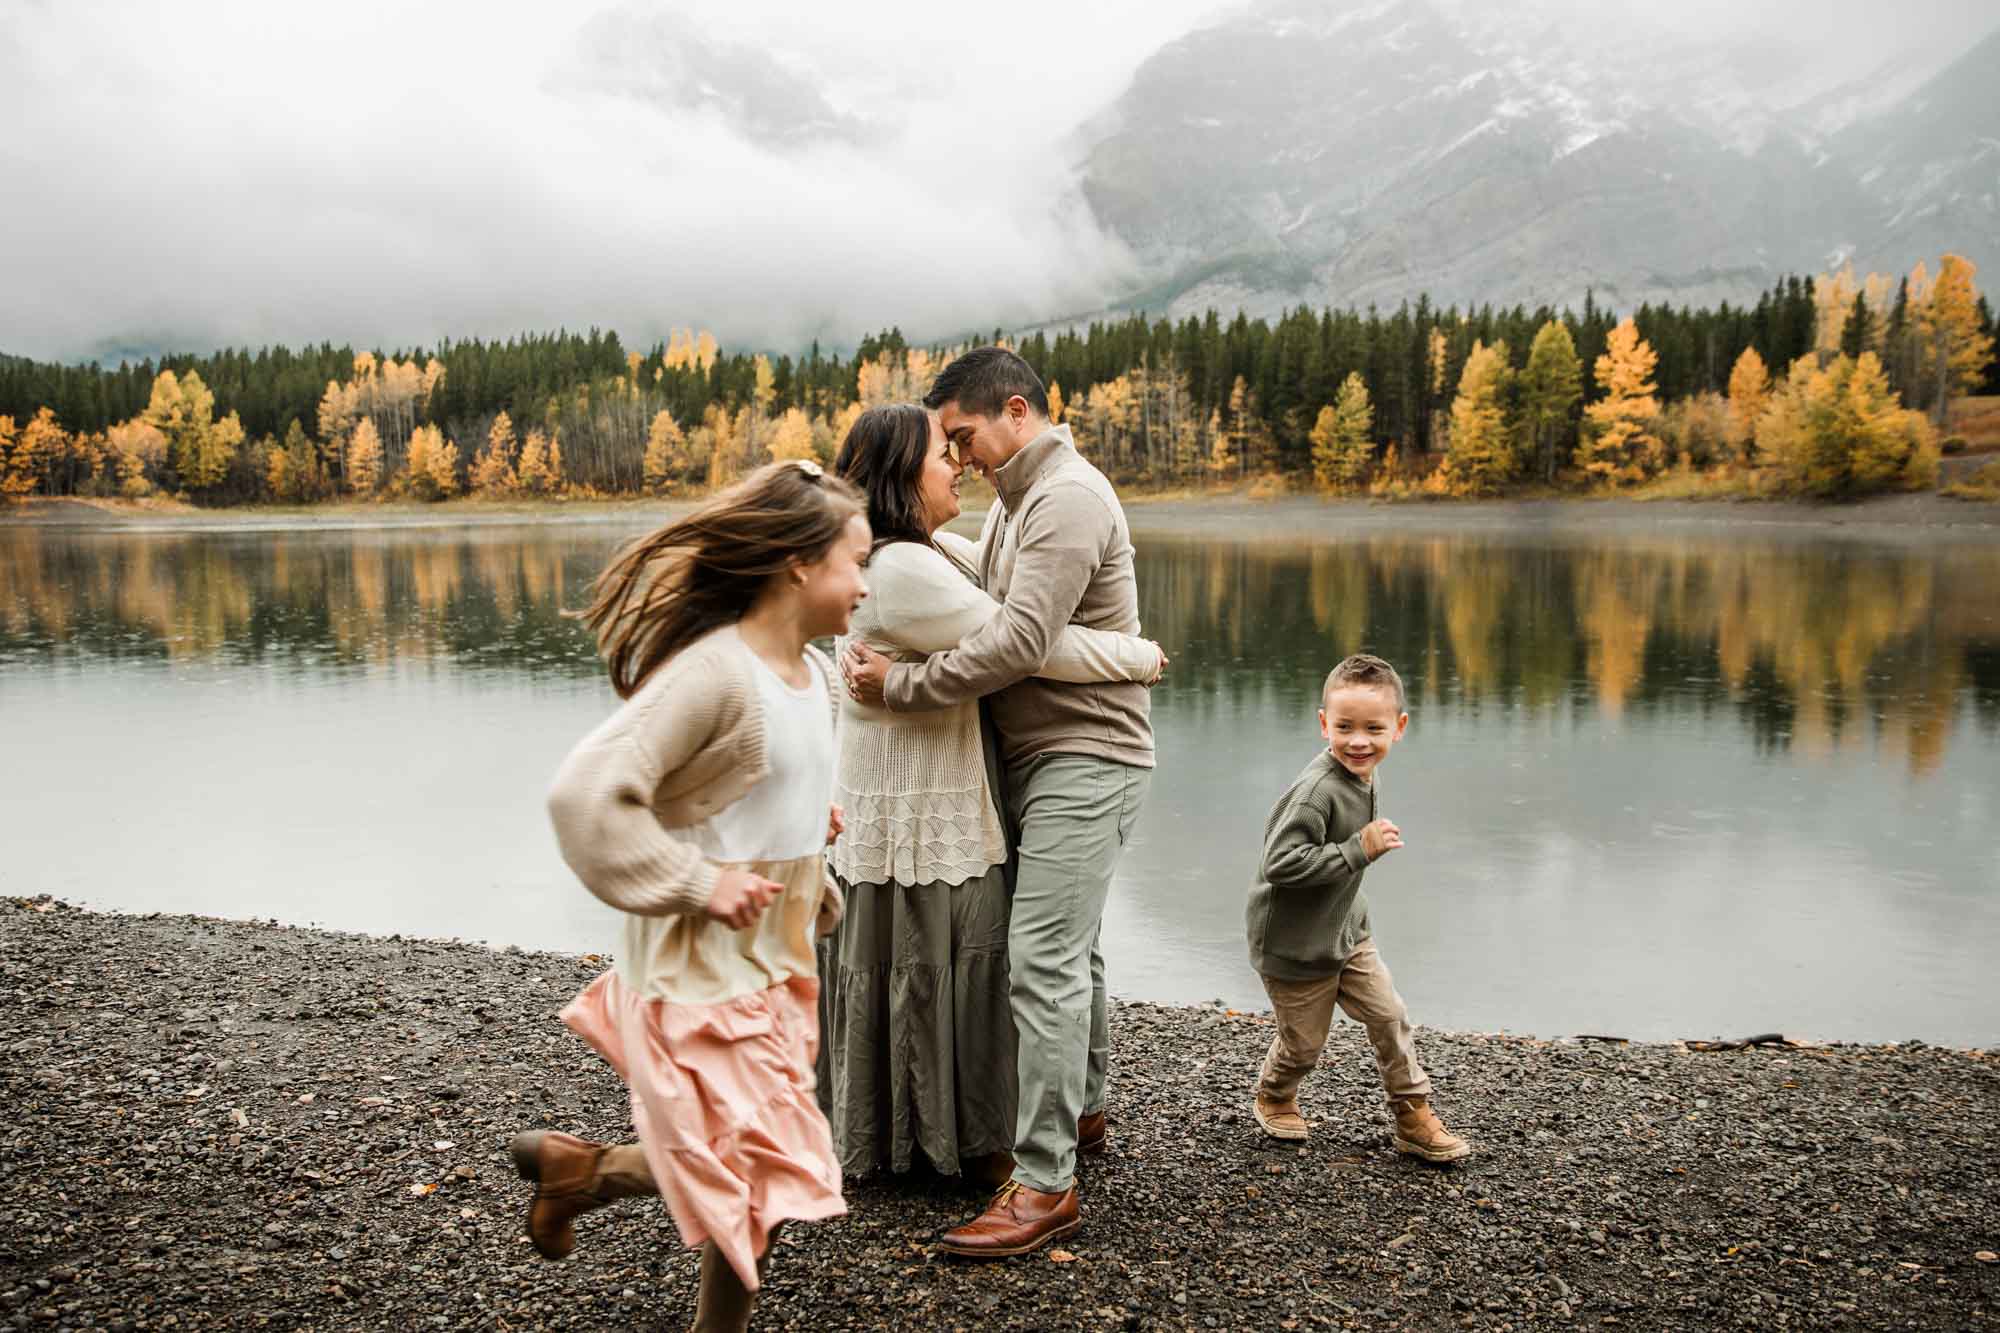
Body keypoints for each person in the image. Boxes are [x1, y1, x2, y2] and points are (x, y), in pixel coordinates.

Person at [509, 460, 870, 1333]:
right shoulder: (714, 673)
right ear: (798, 564)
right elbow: (584, 796)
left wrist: (799, 827)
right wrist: (698, 882)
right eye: (856, 562)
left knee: (753, 1166)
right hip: (698, 966)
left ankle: (584, 1174)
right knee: (764, 1171)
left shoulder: (816, 675)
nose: (866, 583)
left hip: (775, 958)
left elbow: (742, 788)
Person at [843, 347, 1153, 1258]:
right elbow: (991, 597)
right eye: (947, 445)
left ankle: (1046, 1182)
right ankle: (1081, 1112)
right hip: (1038, 753)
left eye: (964, 435)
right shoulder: (1025, 498)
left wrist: (901, 685)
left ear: (1016, 412)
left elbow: (1018, 639)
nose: (960, 454)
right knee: (1071, 948)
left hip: (1084, 751)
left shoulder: (1067, 498)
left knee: (1043, 954)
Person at [1244, 653, 1471, 1163]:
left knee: (1389, 1015)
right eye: (1345, 727)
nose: (1359, 740)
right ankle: (1275, 1093)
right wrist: (1357, 850)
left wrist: (1358, 856)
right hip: (1295, 946)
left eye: (1374, 728)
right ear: (1324, 723)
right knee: (1303, 1046)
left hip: (1347, 933)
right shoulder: (1315, 792)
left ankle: (1413, 1113)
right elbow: (1280, 864)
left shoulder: (1363, 773)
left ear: (1399, 728)